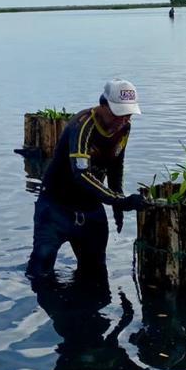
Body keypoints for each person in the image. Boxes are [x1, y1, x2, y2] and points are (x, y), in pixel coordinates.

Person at [26, 79, 148, 278]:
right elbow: (81, 174)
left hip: (89, 207)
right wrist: (121, 201)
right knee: (40, 269)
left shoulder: (124, 128)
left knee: (96, 270)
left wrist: (118, 204)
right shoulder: (82, 126)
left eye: (128, 115)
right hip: (56, 206)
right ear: (103, 106)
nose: (123, 120)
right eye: (118, 114)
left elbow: (116, 165)